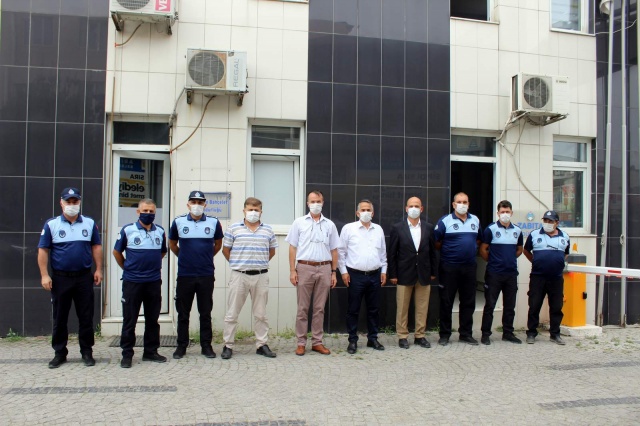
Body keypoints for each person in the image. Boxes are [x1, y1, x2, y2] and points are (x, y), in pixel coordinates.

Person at [38, 187, 103, 368]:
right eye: (68, 202)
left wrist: (99, 270)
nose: (72, 205)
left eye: (75, 201)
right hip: (61, 279)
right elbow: (43, 250)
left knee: (86, 317)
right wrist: (44, 275)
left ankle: (87, 351)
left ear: (80, 202)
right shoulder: (52, 225)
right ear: (61, 203)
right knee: (60, 317)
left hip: (84, 278)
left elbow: (96, 247)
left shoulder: (89, 223)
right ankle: (60, 353)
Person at [220, 197, 278, 360]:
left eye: (256, 210)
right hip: (239, 275)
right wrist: (238, 263)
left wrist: (259, 263)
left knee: (261, 314)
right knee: (232, 313)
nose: (253, 212)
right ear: (244, 210)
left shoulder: (268, 230)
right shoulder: (233, 229)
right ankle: (228, 345)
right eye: (250, 209)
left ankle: (261, 344)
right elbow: (225, 250)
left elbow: (272, 251)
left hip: (261, 276)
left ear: (261, 212)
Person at [113, 198, 168, 368]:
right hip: (132, 283)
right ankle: (127, 354)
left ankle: (150, 351)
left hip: (153, 282)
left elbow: (162, 252)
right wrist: (128, 268)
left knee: (153, 319)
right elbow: (116, 252)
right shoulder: (128, 230)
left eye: (151, 211)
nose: (148, 214)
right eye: (145, 211)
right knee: (130, 320)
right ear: (138, 212)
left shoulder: (160, 231)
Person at [168, 191, 223, 360]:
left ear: (205, 205)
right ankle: (181, 346)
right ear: (188, 204)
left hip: (206, 274)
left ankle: (206, 346)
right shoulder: (178, 222)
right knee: (183, 313)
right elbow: (172, 244)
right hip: (185, 275)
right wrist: (184, 256)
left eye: (200, 202)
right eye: (193, 202)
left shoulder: (214, 222)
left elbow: (218, 244)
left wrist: (205, 257)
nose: (197, 205)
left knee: (205, 312)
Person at [286, 190, 341, 356]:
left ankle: (317, 342)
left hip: (324, 268)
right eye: (312, 201)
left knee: (319, 308)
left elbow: (334, 250)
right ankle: (301, 343)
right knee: (302, 308)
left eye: (318, 201)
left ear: (323, 203)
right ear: (307, 203)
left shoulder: (330, 225)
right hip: (304, 267)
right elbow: (292, 247)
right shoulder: (299, 223)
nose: (315, 204)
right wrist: (292, 270)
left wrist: (333, 272)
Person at [338, 199, 387, 354]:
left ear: (373, 213)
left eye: (368, 210)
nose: (366, 212)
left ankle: (373, 338)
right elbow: (340, 252)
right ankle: (352, 340)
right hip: (355, 275)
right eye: (363, 210)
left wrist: (384, 271)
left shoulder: (378, 229)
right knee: (353, 309)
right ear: (357, 213)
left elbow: (383, 253)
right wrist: (343, 272)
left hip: (375, 275)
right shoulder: (348, 228)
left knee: (374, 309)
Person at [388, 196, 437, 349]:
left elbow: (433, 252)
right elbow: (392, 253)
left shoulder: (429, 227)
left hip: (424, 273)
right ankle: (402, 336)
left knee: (422, 307)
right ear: (406, 209)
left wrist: (433, 272)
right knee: (402, 307)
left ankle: (420, 335)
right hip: (404, 273)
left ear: (421, 209)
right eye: (411, 206)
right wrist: (393, 274)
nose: (414, 208)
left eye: (417, 206)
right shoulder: (397, 228)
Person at [434, 192, 482, 346]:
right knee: (446, 301)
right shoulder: (445, 221)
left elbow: (478, 239)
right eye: (459, 202)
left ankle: (465, 334)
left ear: (468, 204)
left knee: (468, 301)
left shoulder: (475, 220)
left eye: (465, 202)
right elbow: (436, 242)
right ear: (453, 205)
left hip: (469, 267)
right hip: (449, 267)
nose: (462, 204)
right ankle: (444, 335)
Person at [479, 200, 523, 345]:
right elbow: (483, 249)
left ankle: (508, 333)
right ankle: (485, 334)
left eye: (507, 211)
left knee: (510, 306)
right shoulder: (490, 229)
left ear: (511, 213)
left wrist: (509, 259)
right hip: (494, 274)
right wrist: (493, 260)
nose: (505, 214)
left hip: (511, 274)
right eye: (502, 212)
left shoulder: (517, 231)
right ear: (498, 213)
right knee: (490, 305)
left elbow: (519, 249)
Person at [523, 210, 570, 345]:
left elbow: (566, 253)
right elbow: (526, 251)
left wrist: (556, 262)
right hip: (538, 277)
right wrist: (536, 261)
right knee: (534, 305)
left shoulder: (565, 236)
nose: (547, 223)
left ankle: (555, 334)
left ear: (557, 223)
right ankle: (531, 333)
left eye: (550, 221)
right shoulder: (534, 234)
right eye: (545, 220)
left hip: (556, 278)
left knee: (556, 306)